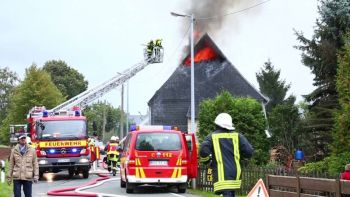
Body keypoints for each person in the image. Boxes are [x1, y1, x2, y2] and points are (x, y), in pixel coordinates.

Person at [199, 113, 254, 197]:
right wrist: (241, 159)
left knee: (226, 193)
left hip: (221, 176)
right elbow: (249, 152)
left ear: (217, 124)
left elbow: (203, 150)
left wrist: (208, 162)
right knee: (230, 193)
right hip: (235, 174)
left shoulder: (212, 137)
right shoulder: (237, 136)